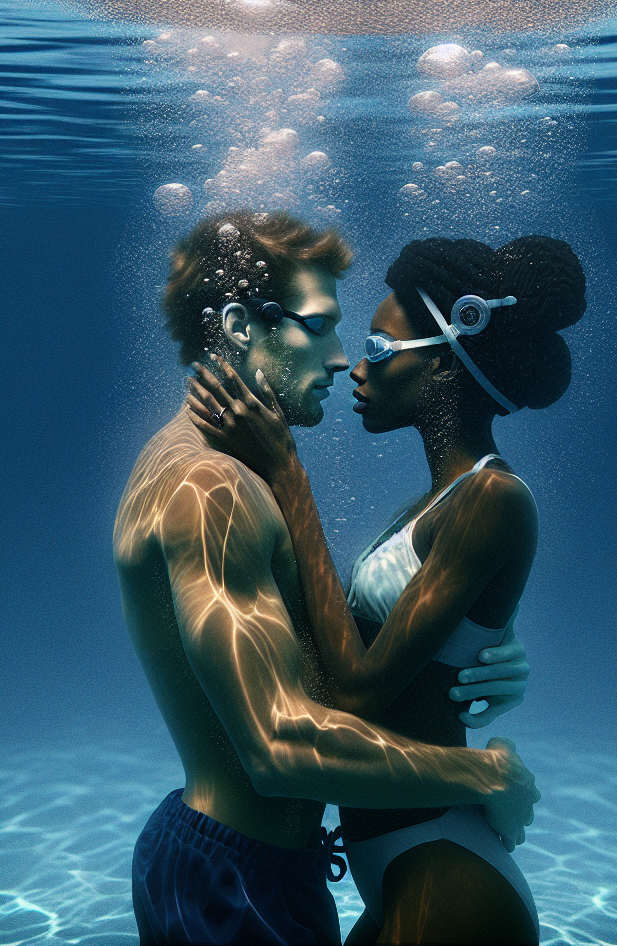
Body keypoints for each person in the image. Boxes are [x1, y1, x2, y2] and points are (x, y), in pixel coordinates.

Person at [115, 212, 539, 945]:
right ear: (243, 326)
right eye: (320, 327)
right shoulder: (213, 489)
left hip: (229, 866)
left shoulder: (191, 464)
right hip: (239, 882)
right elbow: (277, 747)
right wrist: (481, 775)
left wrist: (477, 648)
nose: (343, 360)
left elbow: (331, 646)